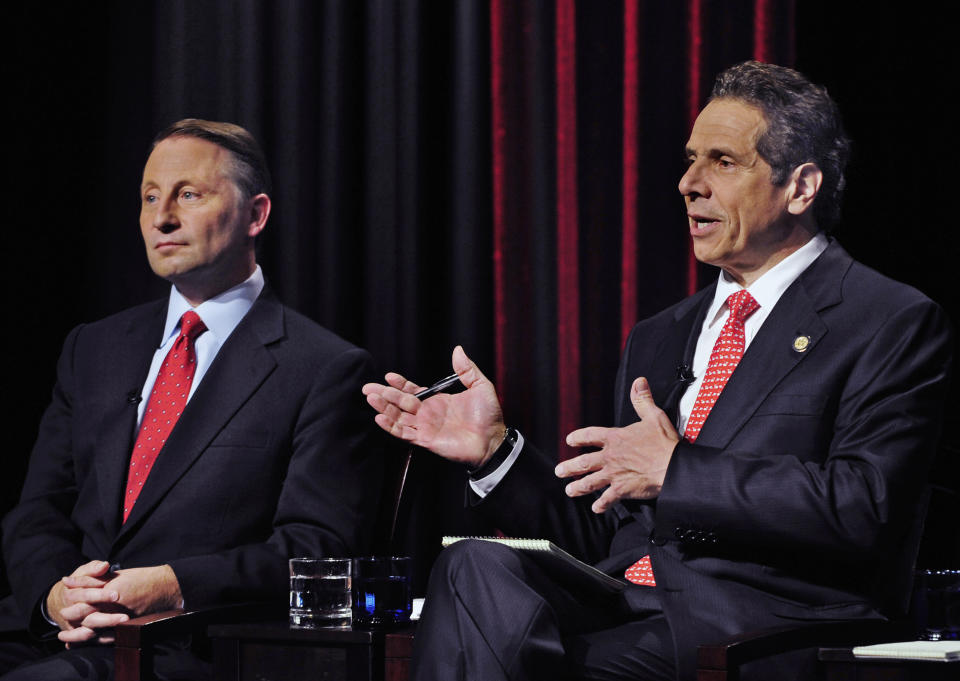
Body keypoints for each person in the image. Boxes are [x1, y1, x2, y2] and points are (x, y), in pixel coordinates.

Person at [362, 61, 953, 681]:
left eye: (723, 162)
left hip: (759, 624)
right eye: (691, 159)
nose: (687, 183)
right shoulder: (661, 334)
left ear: (800, 188)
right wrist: (495, 455)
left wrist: (678, 472)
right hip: (625, 602)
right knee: (475, 565)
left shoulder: (886, 320)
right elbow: (614, 531)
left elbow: (865, 506)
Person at [0, 120, 383, 680]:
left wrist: (172, 584)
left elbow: (316, 549)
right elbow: (38, 511)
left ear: (256, 215)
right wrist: (58, 597)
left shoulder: (324, 368)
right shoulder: (93, 348)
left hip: (190, 646)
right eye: (149, 197)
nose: (162, 218)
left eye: (187, 195)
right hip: (55, 631)